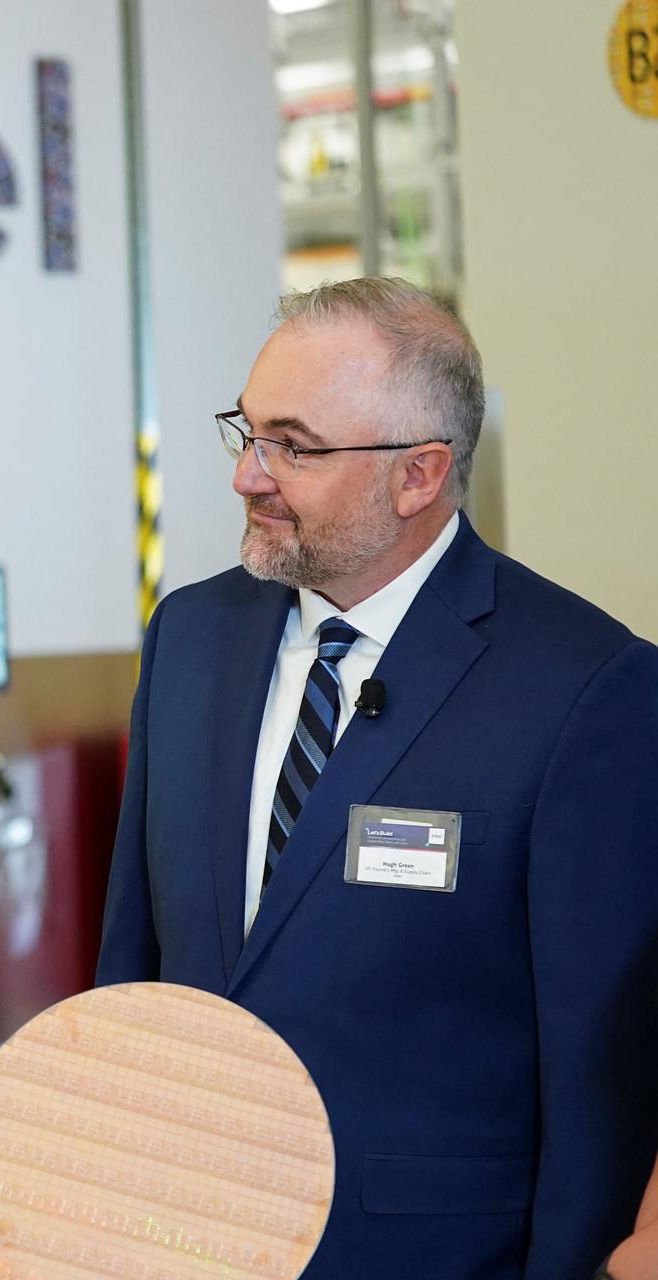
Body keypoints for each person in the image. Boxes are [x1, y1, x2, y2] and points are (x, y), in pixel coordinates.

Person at [96, 277, 658, 1277]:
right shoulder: (190, 636)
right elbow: (135, 967)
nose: (248, 477)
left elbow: (598, 1066)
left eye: (295, 446)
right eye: (247, 432)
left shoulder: (584, 684)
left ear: (421, 475)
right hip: (192, 1239)